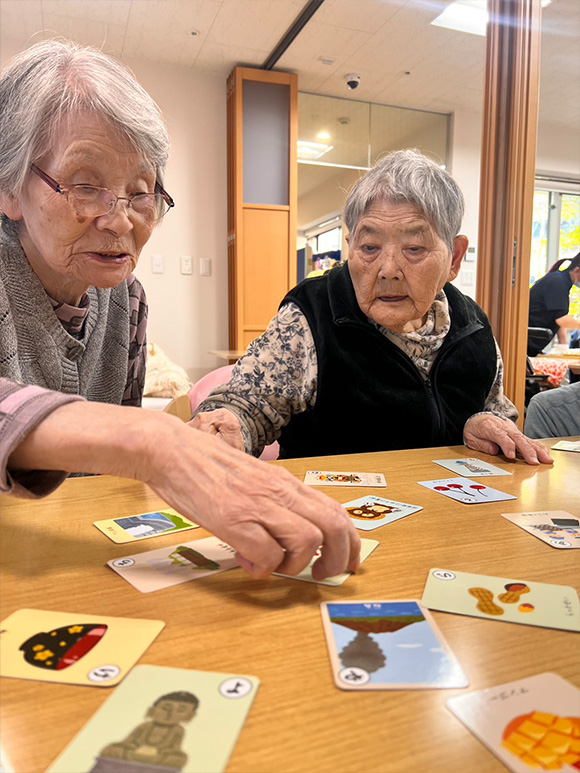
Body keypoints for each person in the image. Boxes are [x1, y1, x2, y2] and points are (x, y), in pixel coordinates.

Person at [0, 40, 360, 582]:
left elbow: (97, 485)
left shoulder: (126, 298)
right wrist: (153, 440)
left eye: (141, 192)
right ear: (9, 187)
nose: (120, 220)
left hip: (60, 561)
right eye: (85, 185)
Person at [193, 150, 552, 467]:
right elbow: (247, 405)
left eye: (414, 248)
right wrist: (227, 424)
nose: (388, 269)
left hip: (447, 526)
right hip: (336, 526)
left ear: (454, 257)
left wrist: (481, 423)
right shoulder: (313, 314)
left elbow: (495, 413)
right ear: (350, 246)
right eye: (369, 248)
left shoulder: (472, 326)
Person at [527, 253, 580, 355]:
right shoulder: (558, 282)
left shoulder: (562, 281)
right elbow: (561, 320)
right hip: (526, 343)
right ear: (577, 270)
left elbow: (559, 318)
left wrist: (562, 348)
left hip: (533, 346)